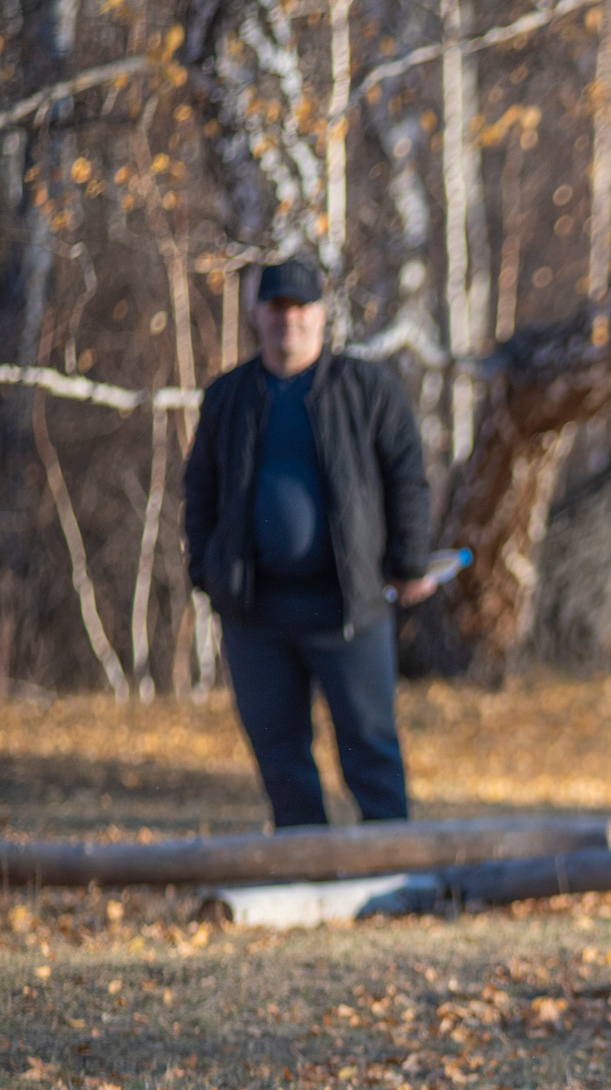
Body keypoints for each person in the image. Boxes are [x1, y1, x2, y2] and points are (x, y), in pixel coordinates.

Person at [182, 256, 432, 827]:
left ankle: (393, 876)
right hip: (256, 614)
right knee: (280, 755)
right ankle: (304, 877)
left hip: (349, 608)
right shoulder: (228, 397)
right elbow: (198, 490)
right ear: (258, 315)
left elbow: (406, 475)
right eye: (276, 308)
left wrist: (409, 561)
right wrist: (208, 571)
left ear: (321, 315)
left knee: (369, 747)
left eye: (300, 308)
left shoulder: (365, 388)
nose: (288, 320)